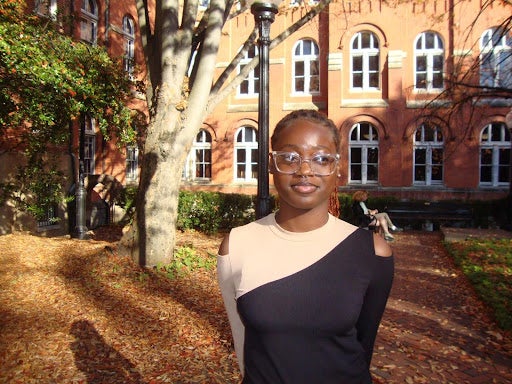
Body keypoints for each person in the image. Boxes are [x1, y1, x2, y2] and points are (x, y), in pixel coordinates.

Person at [217, 109, 394, 384]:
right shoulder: (237, 245)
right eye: (289, 157)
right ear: (271, 164)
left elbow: (363, 346)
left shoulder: (372, 252)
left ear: (337, 167)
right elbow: (243, 345)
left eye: (321, 158)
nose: (305, 170)